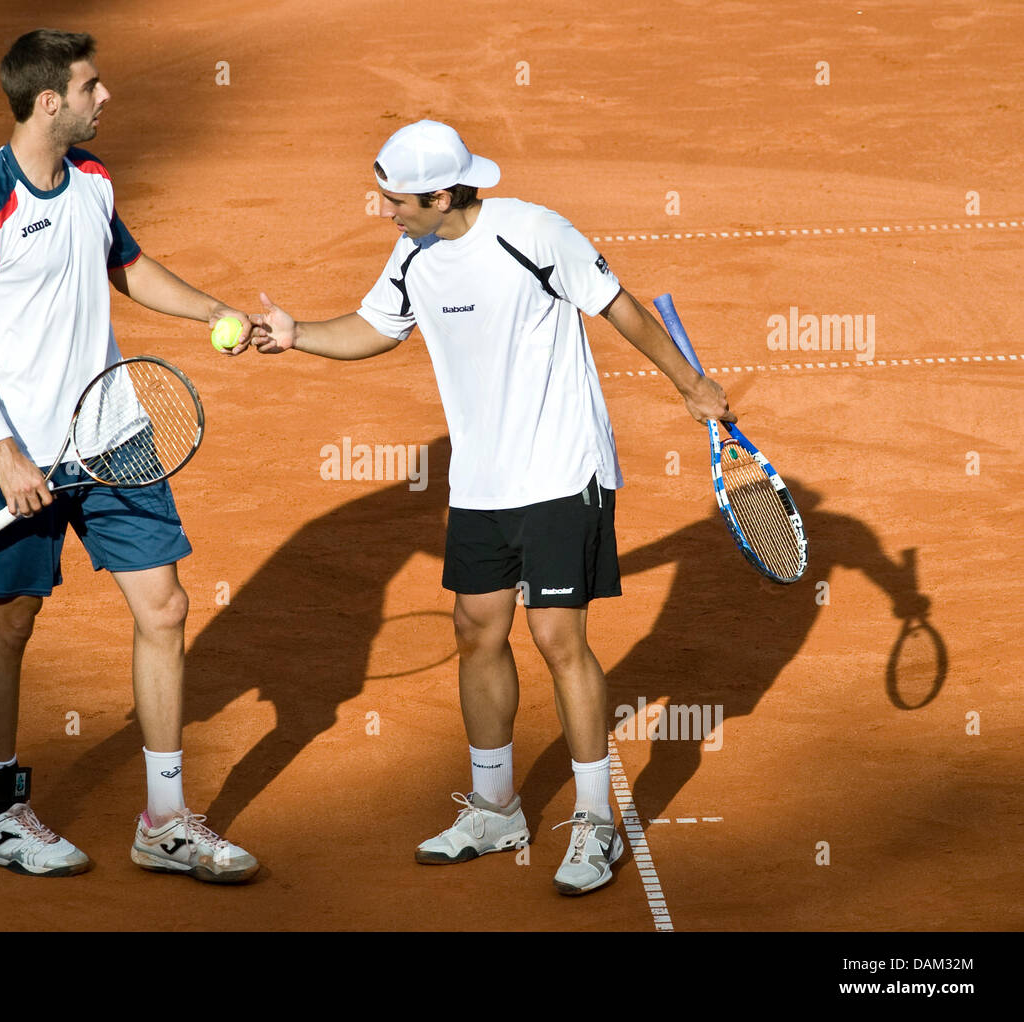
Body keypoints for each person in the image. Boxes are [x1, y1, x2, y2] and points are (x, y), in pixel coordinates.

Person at [250, 120, 733, 895]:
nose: (385, 210)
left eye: (395, 200)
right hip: (481, 479)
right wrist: (297, 333)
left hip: (559, 468)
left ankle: (594, 821)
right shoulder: (413, 249)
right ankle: (495, 806)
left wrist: (689, 385)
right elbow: (377, 327)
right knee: (477, 629)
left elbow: (621, 308)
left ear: (441, 194)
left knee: (555, 635)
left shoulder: (536, 232)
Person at [0, 29, 258, 882]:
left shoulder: (96, 183)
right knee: (10, 618)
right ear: (51, 103)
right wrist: (4, 452)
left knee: (165, 607)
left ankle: (165, 818)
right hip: (15, 453)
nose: (104, 98)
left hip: (111, 434)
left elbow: (131, 268)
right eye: (91, 87)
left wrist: (218, 313)